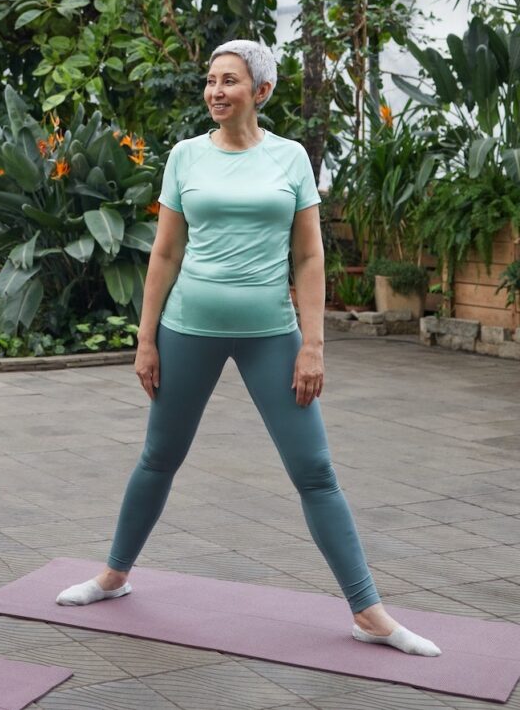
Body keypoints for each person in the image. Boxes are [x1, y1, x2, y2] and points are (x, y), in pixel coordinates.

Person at [55, 40, 440, 657]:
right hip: (187, 329)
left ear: (260, 91)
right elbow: (166, 252)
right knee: (159, 457)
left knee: (314, 470)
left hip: (271, 334)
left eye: (228, 81)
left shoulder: (290, 159)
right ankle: (114, 575)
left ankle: (368, 612)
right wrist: (145, 337)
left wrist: (313, 345)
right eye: (210, 80)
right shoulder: (185, 157)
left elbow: (310, 255)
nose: (214, 91)